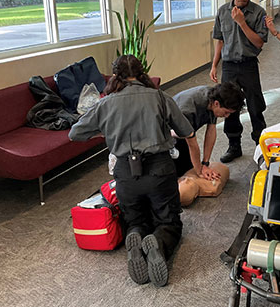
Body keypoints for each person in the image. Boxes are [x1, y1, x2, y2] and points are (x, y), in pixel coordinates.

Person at [69, 55, 195, 287]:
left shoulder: (106, 103)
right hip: (160, 170)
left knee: (135, 218)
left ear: (116, 76)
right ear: (142, 72)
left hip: (126, 174)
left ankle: (134, 235)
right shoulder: (159, 97)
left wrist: (109, 131)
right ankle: (158, 241)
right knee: (169, 221)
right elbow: (186, 130)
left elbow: (75, 133)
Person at [210, 0, 268, 163]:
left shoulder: (259, 12)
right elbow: (219, 41)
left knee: (255, 107)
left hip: (248, 65)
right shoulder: (222, 12)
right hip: (228, 67)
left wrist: (242, 23)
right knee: (229, 106)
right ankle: (234, 146)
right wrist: (213, 66)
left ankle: (261, 149)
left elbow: (259, 42)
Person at [171, 82, 245, 178]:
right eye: (226, 112)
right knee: (178, 173)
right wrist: (200, 171)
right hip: (164, 134)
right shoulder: (187, 110)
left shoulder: (214, 97)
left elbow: (211, 131)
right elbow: (192, 143)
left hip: (184, 131)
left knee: (189, 168)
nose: (227, 116)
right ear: (216, 104)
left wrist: (205, 163)